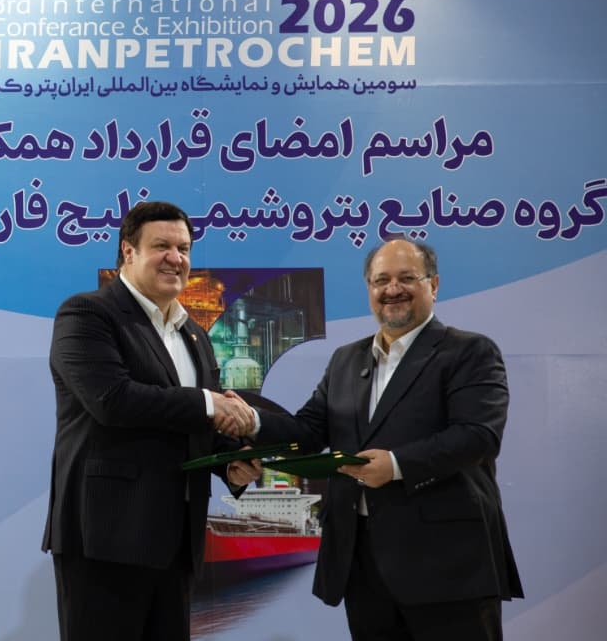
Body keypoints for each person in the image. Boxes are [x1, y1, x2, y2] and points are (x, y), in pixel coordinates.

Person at [230, 237, 523, 640]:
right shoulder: (346, 359)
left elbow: (478, 436)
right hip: (363, 563)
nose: (392, 289)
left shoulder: (470, 351)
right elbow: (308, 432)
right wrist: (252, 422)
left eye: (407, 278)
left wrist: (397, 466)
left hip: (447, 563)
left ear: (434, 285)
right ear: (369, 288)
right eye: (381, 280)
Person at [41, 200, 261, 641]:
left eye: (184, 248)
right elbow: (113, 401)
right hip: (105, 539)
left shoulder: (193, 333)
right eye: (162, 246)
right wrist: (209, 403)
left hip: (176, 543)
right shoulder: (87, 314)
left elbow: (191, 423)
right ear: (128, 251)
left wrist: (230, 462)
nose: (175, 258)